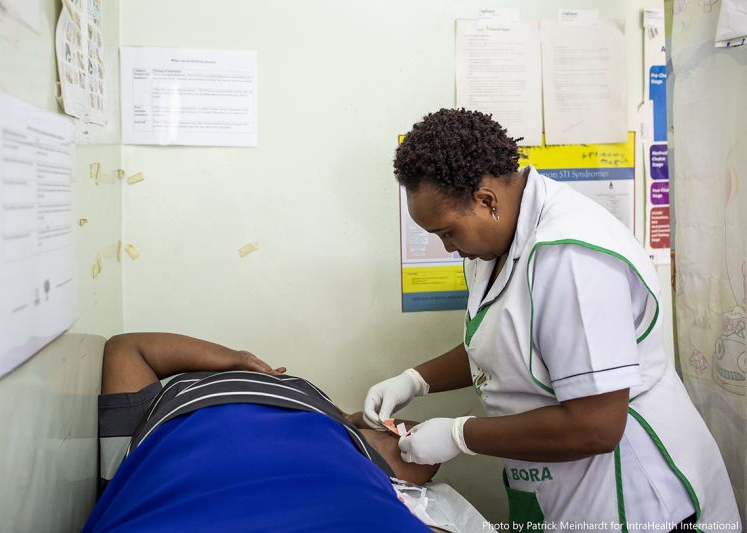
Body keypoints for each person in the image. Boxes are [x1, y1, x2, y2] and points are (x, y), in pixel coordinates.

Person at [363, 109, 740, 531]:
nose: (447, 248)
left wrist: (459, 436)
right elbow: (504, 342)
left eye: (448, 232)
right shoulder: (495, 241)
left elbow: (596, 427)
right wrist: (416, 379)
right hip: (560, 483)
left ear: (486, 200)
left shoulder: (571, 258)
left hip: (635, 493)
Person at [83, 332, 440, 533]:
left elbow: (127, 350)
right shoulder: (328, 424)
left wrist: (356, 420)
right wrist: (235, 359)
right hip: (340, 504)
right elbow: (419, 459)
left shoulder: (142, 435)